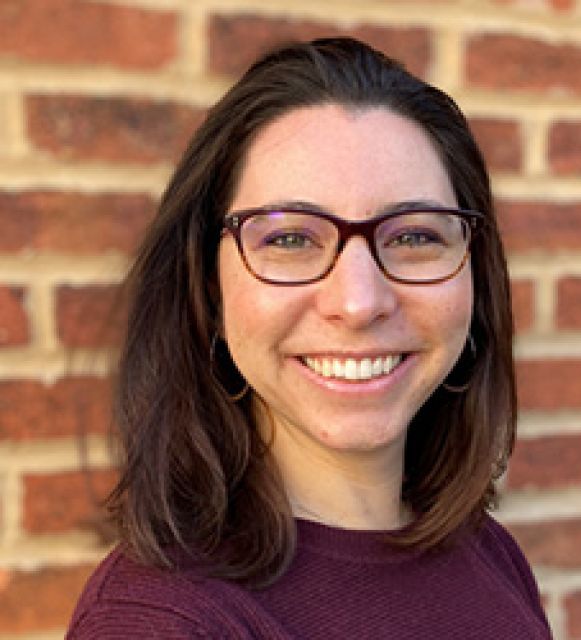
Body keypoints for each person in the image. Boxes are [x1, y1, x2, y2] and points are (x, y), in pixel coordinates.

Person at [66, 37, 552, 639]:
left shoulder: (488, 553)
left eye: (414, 237)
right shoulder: (161, 620)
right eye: (290, 238)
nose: (358, 302)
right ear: (208, 290)